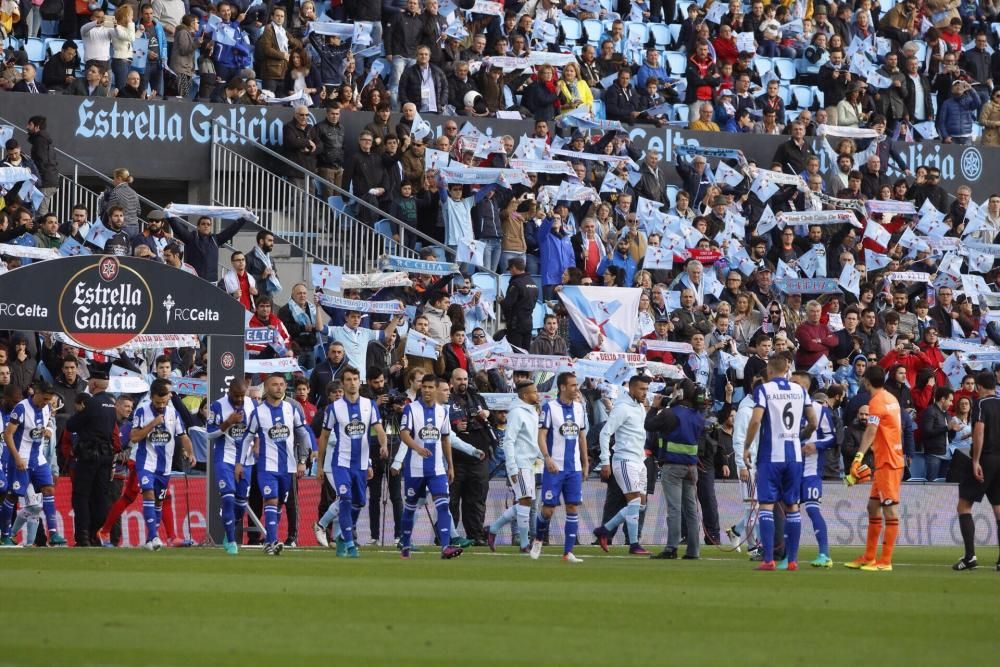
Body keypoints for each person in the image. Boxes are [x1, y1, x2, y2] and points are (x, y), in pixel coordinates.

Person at [743, 356, 817, 571]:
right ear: (787, 369)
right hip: (794, 456)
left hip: (770, 456)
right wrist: (800, 436)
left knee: (766, 504)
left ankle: (769, 559)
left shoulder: (764, 390)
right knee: (793, 506)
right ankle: (792, 560)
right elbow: (812, 421)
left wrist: (747, 446)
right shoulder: (800, 391)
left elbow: (756, 420)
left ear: (769, 369)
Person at [315, 367, 389, 557]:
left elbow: (379, 429)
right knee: (346, 499)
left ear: (359, 381)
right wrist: (320, 465)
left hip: (362, 464)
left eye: (355, 379)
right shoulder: (334, 408)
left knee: (359, 502)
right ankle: (349, 543)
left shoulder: (369, 404)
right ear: (343, 382)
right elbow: (323, 437)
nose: (352, 383)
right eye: (348, 379)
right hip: (341, 463)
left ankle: (341, 536)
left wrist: (383, 445)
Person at [844, 365, 903, 572]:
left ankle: (885, 561)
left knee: (890, 509)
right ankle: (869, 556)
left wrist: (858, 457)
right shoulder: (891, 398)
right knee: (872, 506)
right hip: (886, 459)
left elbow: (871, 429)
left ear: (867, 381)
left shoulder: (877, 402)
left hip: (889, 462)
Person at [397, 374, 462, 559]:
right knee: (410, 508)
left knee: (443, 505)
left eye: (430, 387)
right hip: (415, 468)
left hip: (437, 470)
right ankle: (405, 545)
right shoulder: (411, 409)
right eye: (423, 387)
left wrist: (450, 465)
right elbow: (404, 434)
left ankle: (445, 547)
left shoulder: (443, 412)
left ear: (436, 389)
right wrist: (418, 448)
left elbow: (445, 438)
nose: (426, 390)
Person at [246, 374, 310, 556]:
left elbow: (303, 434)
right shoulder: (258, 412)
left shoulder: (292, 409)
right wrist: (242, 462)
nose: (279, 388)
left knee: (279, 502)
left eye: (282, 385)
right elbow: (247, 438)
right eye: (275, 385)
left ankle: (271, 538)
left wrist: (303, 460)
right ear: (267, 388)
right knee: (271, 499)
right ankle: (271, 541)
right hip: (266, 466)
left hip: (288, 467)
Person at [130, 379, 195, 551]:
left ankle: (151, 541)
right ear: (151, 397)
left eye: (164, 402)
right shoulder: (142, 411)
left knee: (158, 502)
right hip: (146, 463)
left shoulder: (174, 414)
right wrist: (152, 424)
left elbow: (183, 436)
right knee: (149, 494)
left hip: (164, 467)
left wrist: (190, 452)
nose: (160, 405)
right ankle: (154, 536)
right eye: (157, 402)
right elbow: (134, 437)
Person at [0, 382, 66, 547]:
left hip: (38, 458)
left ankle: (53, 534)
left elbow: (45, 426)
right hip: (21, 458)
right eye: (44, 399)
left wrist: (46, 432)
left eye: (49, 400)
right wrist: (16, 458)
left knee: (49, 489)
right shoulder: (21, 409)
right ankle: (5, 535)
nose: (46, 403)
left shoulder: (46, 408)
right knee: (13, 496)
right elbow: (8, 435)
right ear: (36, 393)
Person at [531, 372, 588, 563]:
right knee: (548, 510)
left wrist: (586, 462)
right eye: (572, 385)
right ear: (562, 387)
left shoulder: (580, 408)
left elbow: (581, 437)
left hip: (574, 468)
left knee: (572, 507)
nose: (576, 389)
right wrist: (547, 458)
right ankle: (538, 539)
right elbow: (541, 435)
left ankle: (568, 552)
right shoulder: (550, 408)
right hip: (555, 467)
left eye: (576, 385)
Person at [594, 375, 652, 556]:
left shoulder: (640, 406)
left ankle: (604, 530)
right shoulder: (622, 408)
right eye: (642, 389)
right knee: (634, 502)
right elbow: (605, 433)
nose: (645, 393)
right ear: (632, 388)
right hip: (624, 460)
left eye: (646, 389)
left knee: (640, 505)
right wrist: (605, 461)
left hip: (639, 460)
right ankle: (634, 544)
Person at [486, 380, 542, 554]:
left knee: (526, 502)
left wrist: (544, 457)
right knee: (525, 501)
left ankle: (493, 528)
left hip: (530, 463)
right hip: (519, 464)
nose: (537, 394)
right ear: (525, 395)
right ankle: (524, 544)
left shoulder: (532, 411)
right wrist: (512, 467)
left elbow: (532, 441)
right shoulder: (517, 413)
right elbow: (509, 441)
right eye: (534, 392)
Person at [953, 370, 1000, 571]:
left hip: (986, 458)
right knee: (998, 509)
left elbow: (980, 431)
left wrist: (976, 461)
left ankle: (970, 556)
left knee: (964, 506)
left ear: (979, 387)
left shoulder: (980, 404)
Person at [64, 370, 116, 547]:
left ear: (93, 384)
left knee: (81, 496)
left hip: (89, 455)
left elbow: (71, 425)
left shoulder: (92, 403)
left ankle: (83, 535)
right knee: (100, 496)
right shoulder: (111, 405)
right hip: (106, 456)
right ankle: (95, 532)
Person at [791, 374, 837, 568]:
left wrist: (815, 445)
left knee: (811, 508)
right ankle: (788, 555)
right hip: (791, 468)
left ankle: (824, 554)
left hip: (810, 468)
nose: (791, 385)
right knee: (789, 511)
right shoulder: (787, 408)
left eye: (795, 383)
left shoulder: (819, 410)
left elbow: (832, 437)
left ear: (805, 387)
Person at [207, 379, 255, 556]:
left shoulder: (252, 404)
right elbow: (209, 434)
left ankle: (230, 532)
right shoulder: (217, 406)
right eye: (236, 396)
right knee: (228, 498)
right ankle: (231, 540)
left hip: (245, 460)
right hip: (224, 458)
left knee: (241, 503)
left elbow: (257, 429)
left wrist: (257, 444)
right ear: (229, 392)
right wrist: (228, 423)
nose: (240, 399)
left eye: (242, 395)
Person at [166, 214, 247, 283]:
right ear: (198, 226)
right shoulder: (191, 238)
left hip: (211, 282)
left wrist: (244, 218)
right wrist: (169, 215)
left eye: (208, 224)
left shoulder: (216, 239)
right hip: (193, 280)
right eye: (203, 224)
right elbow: (178, 229)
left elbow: (231, 230)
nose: (206, 226)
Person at [500, 257, 538, 350]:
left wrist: (501, 301)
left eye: (510, 269)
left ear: (513, 267)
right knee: (525, 353)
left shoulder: (516, 283)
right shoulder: (533, 282)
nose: (510, 272)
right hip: (529, 322)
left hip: (516, 324)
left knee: (515, 353)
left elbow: (507, 304)